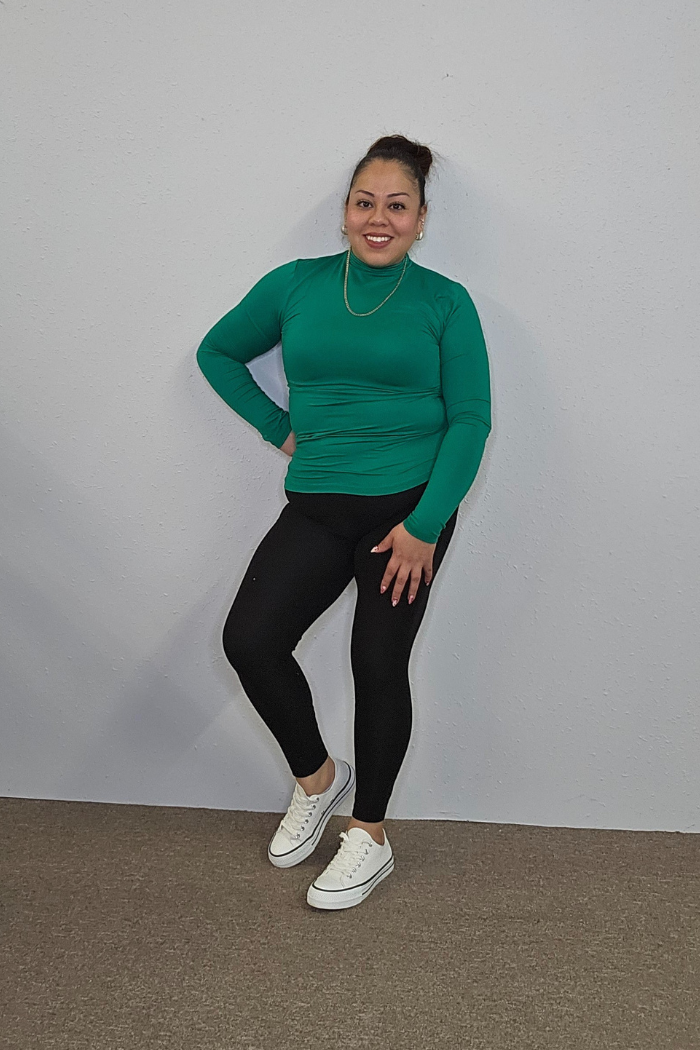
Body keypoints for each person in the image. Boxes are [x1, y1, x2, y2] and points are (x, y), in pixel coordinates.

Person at [196, 134, 492, 911]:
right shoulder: (296, 286)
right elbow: (218, 352)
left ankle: (371, 834)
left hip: (408, 511)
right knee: (251, 641)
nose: (379, 218)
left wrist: (426, 526)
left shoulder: (445, 302)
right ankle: (320, 781)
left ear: (422, 218)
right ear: (345, 213)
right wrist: (276, 425)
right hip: (320, 502)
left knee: (376, 662)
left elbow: (470, 420)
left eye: (398, 205)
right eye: (366, 203)